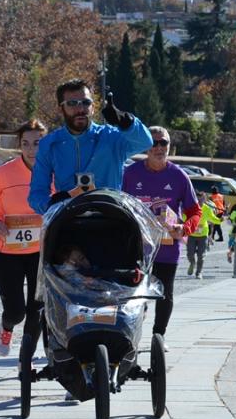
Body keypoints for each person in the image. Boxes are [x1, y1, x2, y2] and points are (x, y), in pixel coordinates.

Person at [122, 126, 201, 342]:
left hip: (167, 248)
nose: (159, 147)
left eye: (163, 143)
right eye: (154, 143)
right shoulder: (130, 174)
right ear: (146, 147)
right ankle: (131, 334)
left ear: (170, 146)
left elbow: (194, 211)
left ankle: (159, 336)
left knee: (165, 295)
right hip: (137, 248)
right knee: (135, 294)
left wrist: (184, 228)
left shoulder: (179, 176)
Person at [0, 120, 47, 357]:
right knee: (16, 311)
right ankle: (6, 328)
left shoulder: (53, 171)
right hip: (8, 251)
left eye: (37, 143)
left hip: (40, 250)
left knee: (36, 308)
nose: (31, 149)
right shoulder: (5, 173)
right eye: (25, 143)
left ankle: (25, 358)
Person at [28, 79, 152, 214]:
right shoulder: (49, 144)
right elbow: (36, 195)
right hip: (69, 221)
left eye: (86, 103)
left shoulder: (111, 137)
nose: (80, 109)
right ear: (60, 109)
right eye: (71, 103)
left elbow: (145, 142)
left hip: (111, 219)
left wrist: (125, 120)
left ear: (93, 108)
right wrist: (54, 203)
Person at [186, 191, 222, 279]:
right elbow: (185, 217)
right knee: (190, 254)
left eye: (202, 198)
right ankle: (192, 263)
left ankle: (198, 273)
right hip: (192, 234)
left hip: (203, 235)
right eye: (198, 198)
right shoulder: (191, 208)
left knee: (201, 255)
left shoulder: (207, 209)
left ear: (205, 199)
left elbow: (213, 218)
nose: (200, 200)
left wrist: (220, 220)